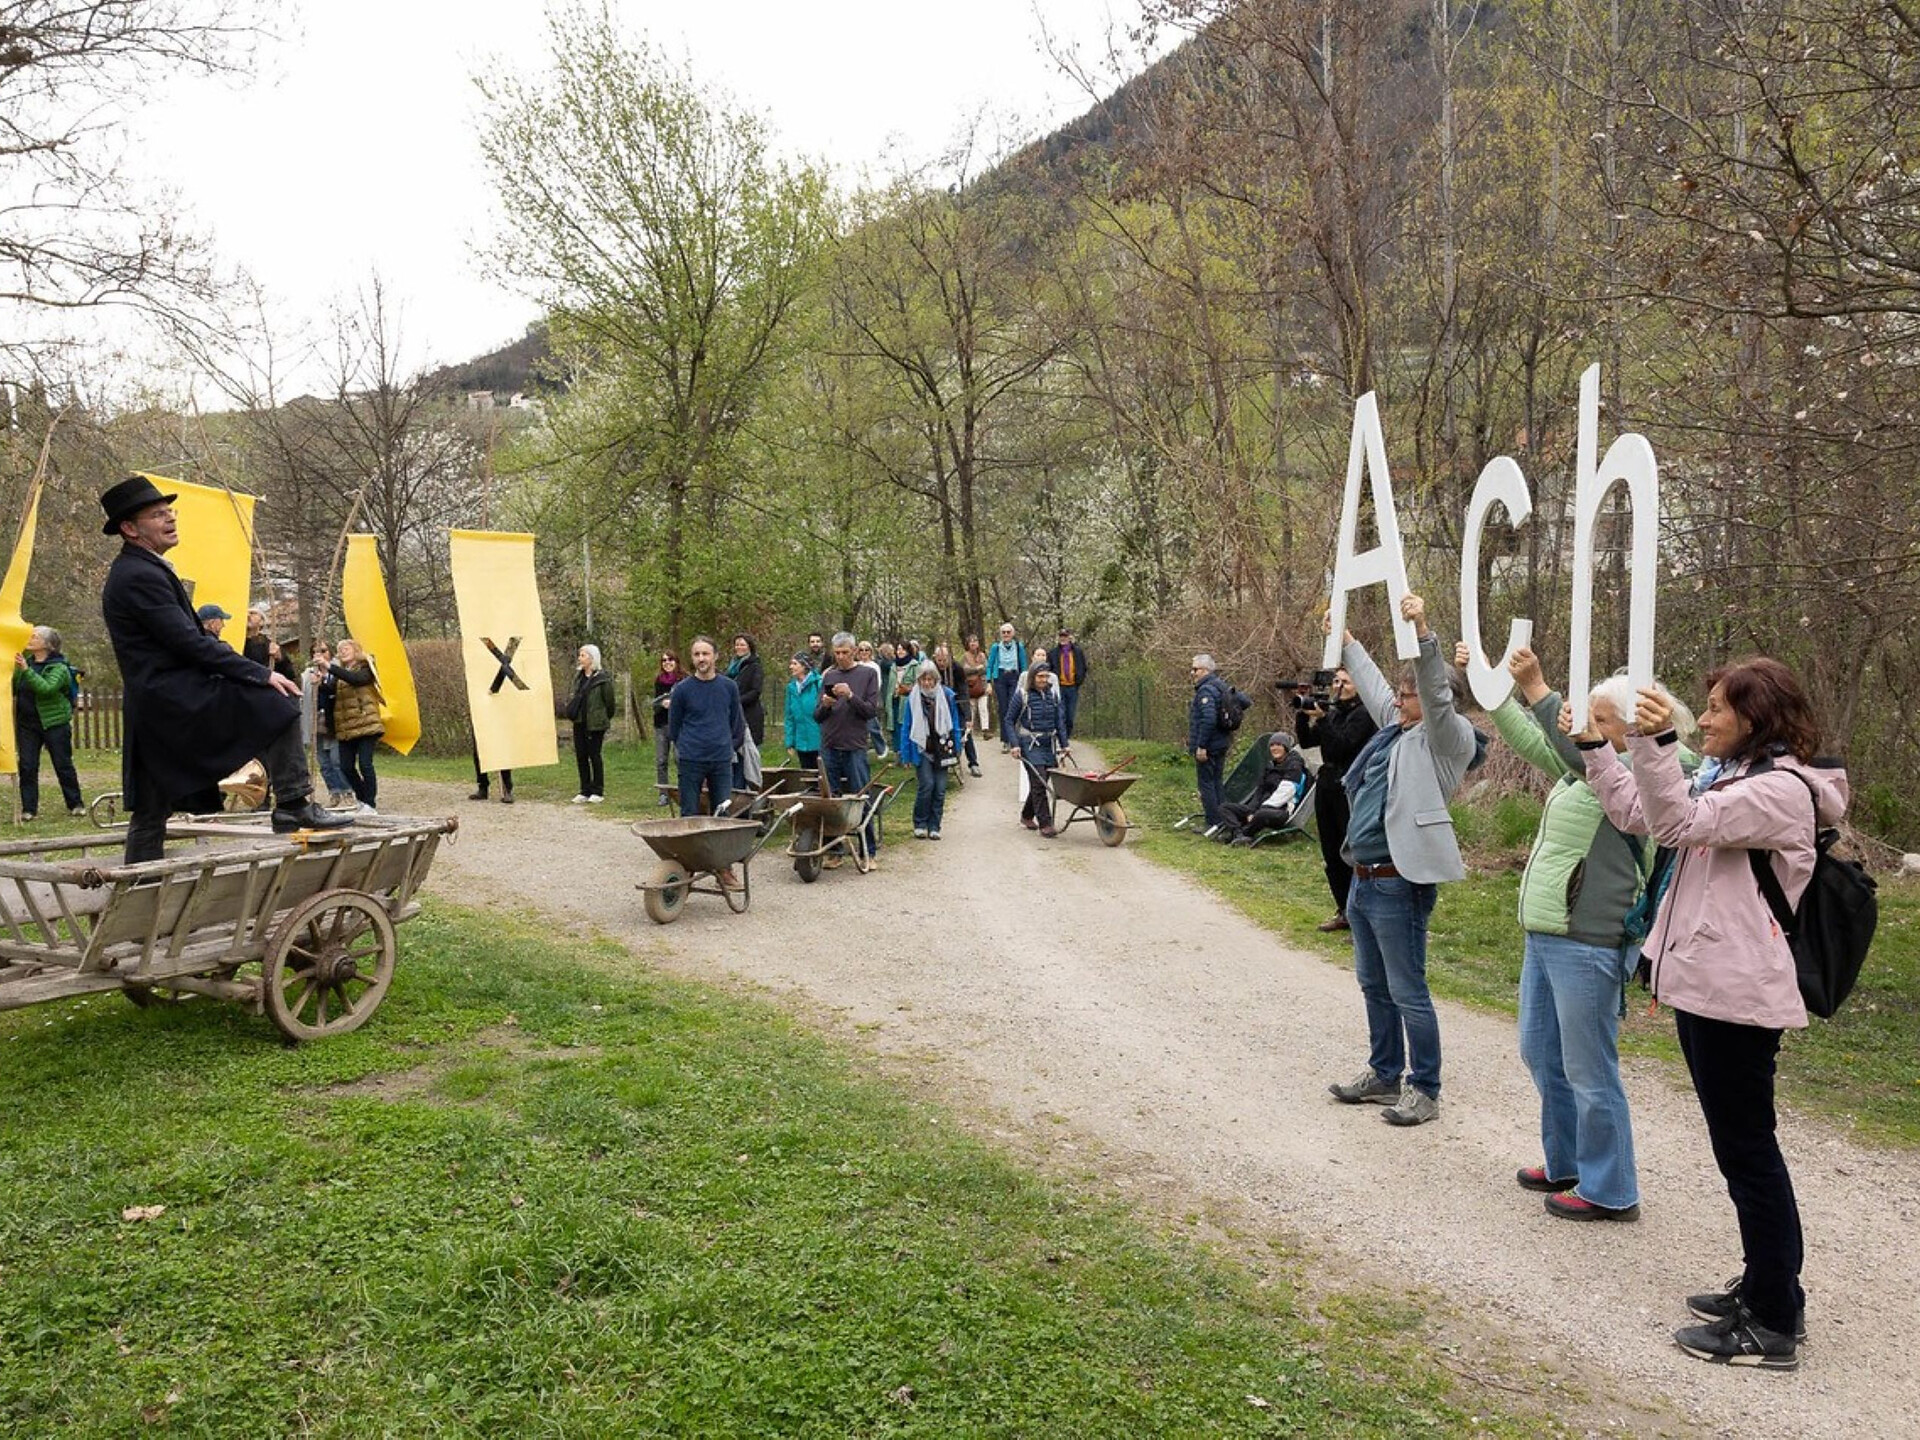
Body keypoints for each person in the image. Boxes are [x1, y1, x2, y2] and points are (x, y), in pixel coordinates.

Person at [1575, 657, 1845, 1370]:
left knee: (1749, 1152)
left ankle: (1774, 1320)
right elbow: (1646, 816)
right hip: (1710, 983)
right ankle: (1767, 1285)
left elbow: (1677, 819)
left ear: (1757, 717)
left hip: (1737, 993)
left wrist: (1656, 747)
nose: (1708, 719)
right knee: (1741, 1150)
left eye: (1721, 708)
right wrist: (1598, 751)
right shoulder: (1738, 778)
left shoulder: (1781, 792)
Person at [1470, 642, 1695, 1225]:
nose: (1587, 728)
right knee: (1541, 1052)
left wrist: (1541, 691)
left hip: (1589, 936)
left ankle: (1610, 1187)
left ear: (1635, 726)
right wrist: (1499, 693)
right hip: (1547, 931)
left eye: (1600, 719)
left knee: (1591, 1069)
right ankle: (1567, 1160)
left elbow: (1575, 754)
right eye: (1588, 717)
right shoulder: (1585, 774)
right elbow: (1532, 742)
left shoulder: (1655, 778)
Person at [97, 476, 348, 863]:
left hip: (155, 702)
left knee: (151, 806)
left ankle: (139, 898)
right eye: (157, 514)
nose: (169, 519)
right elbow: (191, 644)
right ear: (130, 529)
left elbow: (190, 638)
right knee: (275, 702)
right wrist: (260, 673)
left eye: (170, 511)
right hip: (173, 697)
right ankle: (294, 804)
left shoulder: (141, 568)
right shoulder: (138, 575)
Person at [1324, 594, 1480, 1129]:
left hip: (1398, 882)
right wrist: (1347, 643)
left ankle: (1426, 1087)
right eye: (1403, 692)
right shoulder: (1395, 729)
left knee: (1408, 989)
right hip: (1363, 878)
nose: (1402, 698)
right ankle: (1385, 1072)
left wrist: (1424, 633)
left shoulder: (1445, 738)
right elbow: (1373, 687)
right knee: (1372, 983)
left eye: (1411, 693)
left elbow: (1435, 695)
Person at [1297, 666, 1378, 932]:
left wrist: (1322, 721)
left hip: (1349, 787)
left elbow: (1341, 746)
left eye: (1345, 682)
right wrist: (1303, 713)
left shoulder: (1364, 715)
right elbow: (1308, 742)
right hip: (1327, 784)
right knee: (1330, 852)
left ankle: (1360, 916)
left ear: (1359, 686)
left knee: (1349, 851)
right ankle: (1343, 909)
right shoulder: (1334, 712)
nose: (1338, 686)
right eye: (1336, 681)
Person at [814, 631, 881, 867]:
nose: (841, 656)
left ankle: (868, 852)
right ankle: (835, 851)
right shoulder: (828, 676)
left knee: (860, 797)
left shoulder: (868, 674)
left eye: (845, 652)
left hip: (854, 745)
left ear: (854, 651)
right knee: (830, 800)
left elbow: (871, 711)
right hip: (829, 744)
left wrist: (851, 696)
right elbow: (817, 716)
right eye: (837, 652)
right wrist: (825, 705)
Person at [667, 636, 744, 834]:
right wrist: (685, 747)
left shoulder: (729, 687)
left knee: (722, 811)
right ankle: (690, 859)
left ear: (715, 656)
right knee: (689, 813)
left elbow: (737, 723)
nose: (701, 658)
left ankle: (719, 860)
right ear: (692, 658)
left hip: (720, 759)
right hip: (691, 759)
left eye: (705, 654)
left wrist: (728, 747)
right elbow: (674, 727)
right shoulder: (682, 690)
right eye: (697, 654)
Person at [11, 624, 85, 820]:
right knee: (27, 766)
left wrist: (26, 670)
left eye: (35, 636)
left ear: (48, 644)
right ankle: (29, 809)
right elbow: (13, 687)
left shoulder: (59, 667)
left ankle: (75, 803)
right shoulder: (25, 663)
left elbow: (46, 689)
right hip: (28, 724)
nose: (30, 638)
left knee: (62, 764)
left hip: (54, 723)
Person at [898, 660, 960, 840]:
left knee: (940, 789)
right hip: (921, 748)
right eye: (923, 679)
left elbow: (954, 723)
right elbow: (907, 726)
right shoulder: (913, 698)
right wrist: (906, 753)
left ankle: (935, 825)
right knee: (927, 785)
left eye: (930, 679)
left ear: (936, 679)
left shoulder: (947, 696)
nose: (927, 683)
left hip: (942, 748)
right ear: (919, 680)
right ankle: (920, 823)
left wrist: (957, 746)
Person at [1008, 662, 1070, 835]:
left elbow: (1060, 722)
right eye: (1040, 676)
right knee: (1039, 781)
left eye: (1046, 676)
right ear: (1033, 677)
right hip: (1029, 743)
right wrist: (1014, 744)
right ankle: (1046, 824)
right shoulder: (1022, 695)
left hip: (1048, 744)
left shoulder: (1053, 696)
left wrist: (1064, 744)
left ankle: (1027, 815)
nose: (1043, 680)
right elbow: (1008, 720)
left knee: (1042, 781)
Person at [1216, 732, 1307, 843]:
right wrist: (1251, 810)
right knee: (1224, 808)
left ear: (1286, 747)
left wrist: (1259, 810)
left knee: (1261, 815)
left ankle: (1241, 835)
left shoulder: (1294, 766)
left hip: (1281, 810)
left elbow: (1285, 793)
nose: (1274, 748)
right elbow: (1260, 790)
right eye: (1272, 745)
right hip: (1261, 807)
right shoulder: (1270, 766)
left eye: (1278, 745)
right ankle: (1238, 834)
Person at [328, 638, 385, 815]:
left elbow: (356, 680)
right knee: (345, 766)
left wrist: (330, 667)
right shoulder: (340, 674)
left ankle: (370, 803)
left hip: (366, 723)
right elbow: (331, 692)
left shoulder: (366, 667)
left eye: (346, 648)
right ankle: (362, 800)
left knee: (365, 764)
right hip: (347, 727)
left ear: (356, 650)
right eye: (339, 649)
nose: (342, 651)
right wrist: (321, 681)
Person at [1186, 654, 1235, 830]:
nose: (1192, 673)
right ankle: (1225, 820)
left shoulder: (1206, 690)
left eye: (1195, 669)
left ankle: (1213, 823)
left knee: (1206, 784)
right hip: (1222, 743)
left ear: (1206, 670)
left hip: (1210, 747)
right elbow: (1243, 702)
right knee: (1217, 783)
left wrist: (1201, 746)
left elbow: (1208, 719)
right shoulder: (1221, 686)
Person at [304, 641, 355, 807]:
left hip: (334, 720)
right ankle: (334, 792)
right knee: (323, 763)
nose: (319, 654)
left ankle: (348, 790)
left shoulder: (338, 671)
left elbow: (337, 691)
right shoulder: (308, 674)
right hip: (316, 720)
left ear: (329, 653)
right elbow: (305, 699)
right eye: (315, 651)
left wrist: (323, 680)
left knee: (336, 760)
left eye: (323, 650)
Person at [567, 644, 616, 803]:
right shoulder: (578, 677)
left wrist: (602, 718)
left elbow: (610, 703)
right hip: (580, 721)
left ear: (592, 658)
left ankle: (598, 790)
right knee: (581, 755)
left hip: (595, 724)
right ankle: (584, 789)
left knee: (594, 755)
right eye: (580, 655)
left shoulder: (603, 679)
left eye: (583, 655)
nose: (580, 658)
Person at [931, 642, 981, 776]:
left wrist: (967, 716)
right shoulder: (932, 668)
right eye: (939, 660)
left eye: (944, 660)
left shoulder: (957, 668)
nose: (941, 663)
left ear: (949, 657)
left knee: (964, 732)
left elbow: (964, 691)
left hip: (957, 703)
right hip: (938, 706)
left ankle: (973, 763)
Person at [989, 622, 1027, 752]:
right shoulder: (996, 647)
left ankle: (1015, 738)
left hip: (1015, 677)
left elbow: (1023, 664)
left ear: (1012, 634)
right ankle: (1005, 740)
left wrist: (1025, 680)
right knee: (1003, 708)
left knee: (1014, 707)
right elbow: (990, 664)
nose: (1006, 634)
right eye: (1003, 632)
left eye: (1008, 632)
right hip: (1000, 677)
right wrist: (989, 681)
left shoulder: (1018, 646)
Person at [652, 650, 681, 805]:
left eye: (670, 659)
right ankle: (663, 793)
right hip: (661, 723)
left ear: (676, 661)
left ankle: (683, 789)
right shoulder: (659, 680)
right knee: (661, 760)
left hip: (679, 724)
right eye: (664, 660)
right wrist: (661, 704)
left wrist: (674, 705)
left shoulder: (683, 680)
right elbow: (655, 702)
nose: (667, 663)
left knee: (679, 758)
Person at [783, 654, 822, 769]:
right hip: (801, 743)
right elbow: (789, 717)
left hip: (819, 740)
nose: (791, 667)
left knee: (822, 777)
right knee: (807, 775)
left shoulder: (818, 684)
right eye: (791, 663)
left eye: (795, 664)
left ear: (805, 666)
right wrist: (790, 741)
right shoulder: (791, 688)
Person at [728, 634, 766, 746]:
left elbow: (756, 691)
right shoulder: (732, 667)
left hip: (750, 714)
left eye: (742, 645)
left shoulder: (755, 666)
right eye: (737, 645)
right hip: (733, 713)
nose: (739, 647)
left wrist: (737, 701)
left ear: (749, 647)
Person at [855, 640, 889, 761]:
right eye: (861, 650)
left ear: (870, 652)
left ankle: (882, 748)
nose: (864, 652)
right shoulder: (856, 665)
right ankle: (861, 752)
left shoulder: (874, 666)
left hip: (869, 700)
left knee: (872, 726)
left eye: (867, 650)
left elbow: (877, 684)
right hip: (856, 700)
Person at [1054, 627, 1089, 740]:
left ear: (1070, 637)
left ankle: (1066, 737)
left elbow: (1083, 667)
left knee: (1070, 716)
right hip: (1059, 687)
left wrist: (1079, 680)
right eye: (1061, 636)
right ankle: (1061, 739)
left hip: (1073, 687)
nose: (1063, 638)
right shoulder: (1053, 653)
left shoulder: (1077, 652)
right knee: (1060, 714)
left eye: (1065, 636)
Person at [961, 634, 991, 736]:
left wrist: (988, 684)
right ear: (968, 644)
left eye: (975, 641)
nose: (973, 643)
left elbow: (986, 669)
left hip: (982, 685)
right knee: (971, 709)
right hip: (970, 686)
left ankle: (985, 730)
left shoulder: (982, 655)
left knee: (983, 707)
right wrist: (976, 669)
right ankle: (970, 731)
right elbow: (964, 670)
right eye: (971, 641)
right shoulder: (965, 656)